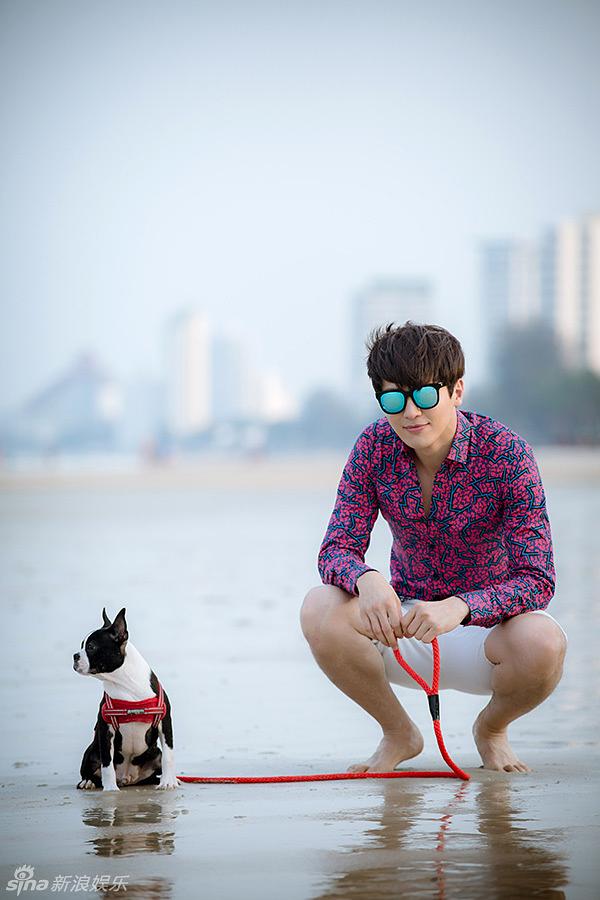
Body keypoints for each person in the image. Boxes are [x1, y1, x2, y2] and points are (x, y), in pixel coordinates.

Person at [300, 321, 567, 774]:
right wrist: (367, 579)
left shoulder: (508, 454)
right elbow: (335, 550)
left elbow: (537, 579)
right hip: (404, 627)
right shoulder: (373, 447)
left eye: (424, 395)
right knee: (319, 607)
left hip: (492, 635)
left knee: (544, 642)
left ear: (456, 390)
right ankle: (398, 733)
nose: (410, 413)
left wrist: (461, 607)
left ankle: (492, 729)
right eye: (393, 398)